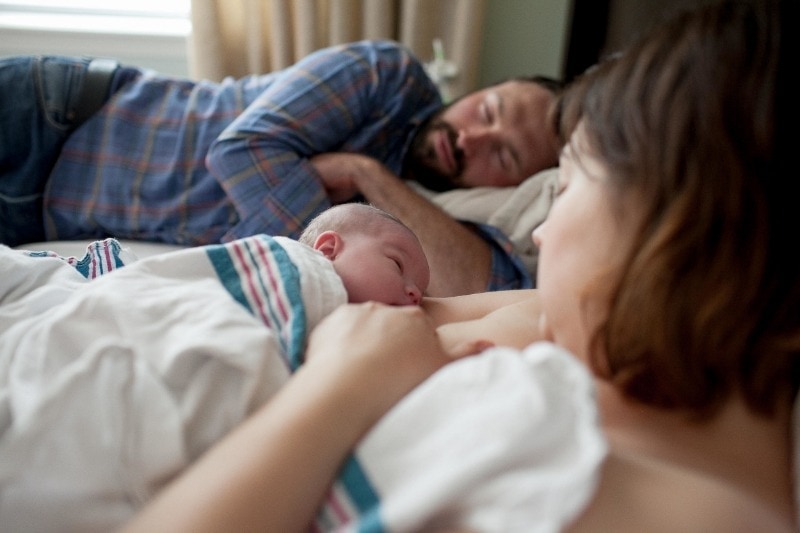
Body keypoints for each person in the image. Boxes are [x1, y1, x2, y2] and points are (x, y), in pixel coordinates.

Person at [116, 0, 798, 530]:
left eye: (567, 185)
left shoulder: (615, 491)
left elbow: (383, 335)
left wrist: (337, 391)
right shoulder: (567, 330)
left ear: (672, 223)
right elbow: (404, 309)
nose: (549, 226)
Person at [0, 40, 561, 296]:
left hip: (45, 214)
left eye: (503, 155)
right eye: (487, 111)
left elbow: (490, 288)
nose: (469, 139)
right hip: (57, 119)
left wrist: (362, 172)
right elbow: (239, 150)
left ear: (513, 185)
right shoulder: (386, 76)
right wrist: (325, 206)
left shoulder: (413, 207)